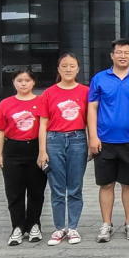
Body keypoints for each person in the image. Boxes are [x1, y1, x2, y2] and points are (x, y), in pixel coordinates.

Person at [88, 39, 129, 243]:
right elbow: (92, 108)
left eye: (127, 53)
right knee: (106, 184)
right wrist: (93, 137)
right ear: (112, 55)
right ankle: (106, 224)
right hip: (104, 141)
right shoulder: (99, 79)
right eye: (119, 52)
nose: (123, 56)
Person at [37, 53, 90, 246]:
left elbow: (90, 120)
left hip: (78, 140)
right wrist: (42, 151)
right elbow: (42, 124)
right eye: (64, 66)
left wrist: (91, 143)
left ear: (78, 69)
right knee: (57, 188)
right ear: (58, 69)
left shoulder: (85, 92)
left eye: (72, 66)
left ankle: (73, 227)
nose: (68, 69)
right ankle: (59, 228)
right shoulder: (48, 93)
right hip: (54, 140)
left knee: (75, 187)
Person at [0, 68, 47, 246]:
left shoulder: (41, 101)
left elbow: (45, 127)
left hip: (35, 148)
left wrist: (43, 151)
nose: (23, 84)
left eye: (27, 80)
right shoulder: (5, 104)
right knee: (14, 191)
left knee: (36, 191)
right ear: (13, 83)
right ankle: (17, 226)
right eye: (19, 80)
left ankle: (34, 225)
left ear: (33, 82)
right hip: (12, 149)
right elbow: (0, 130)